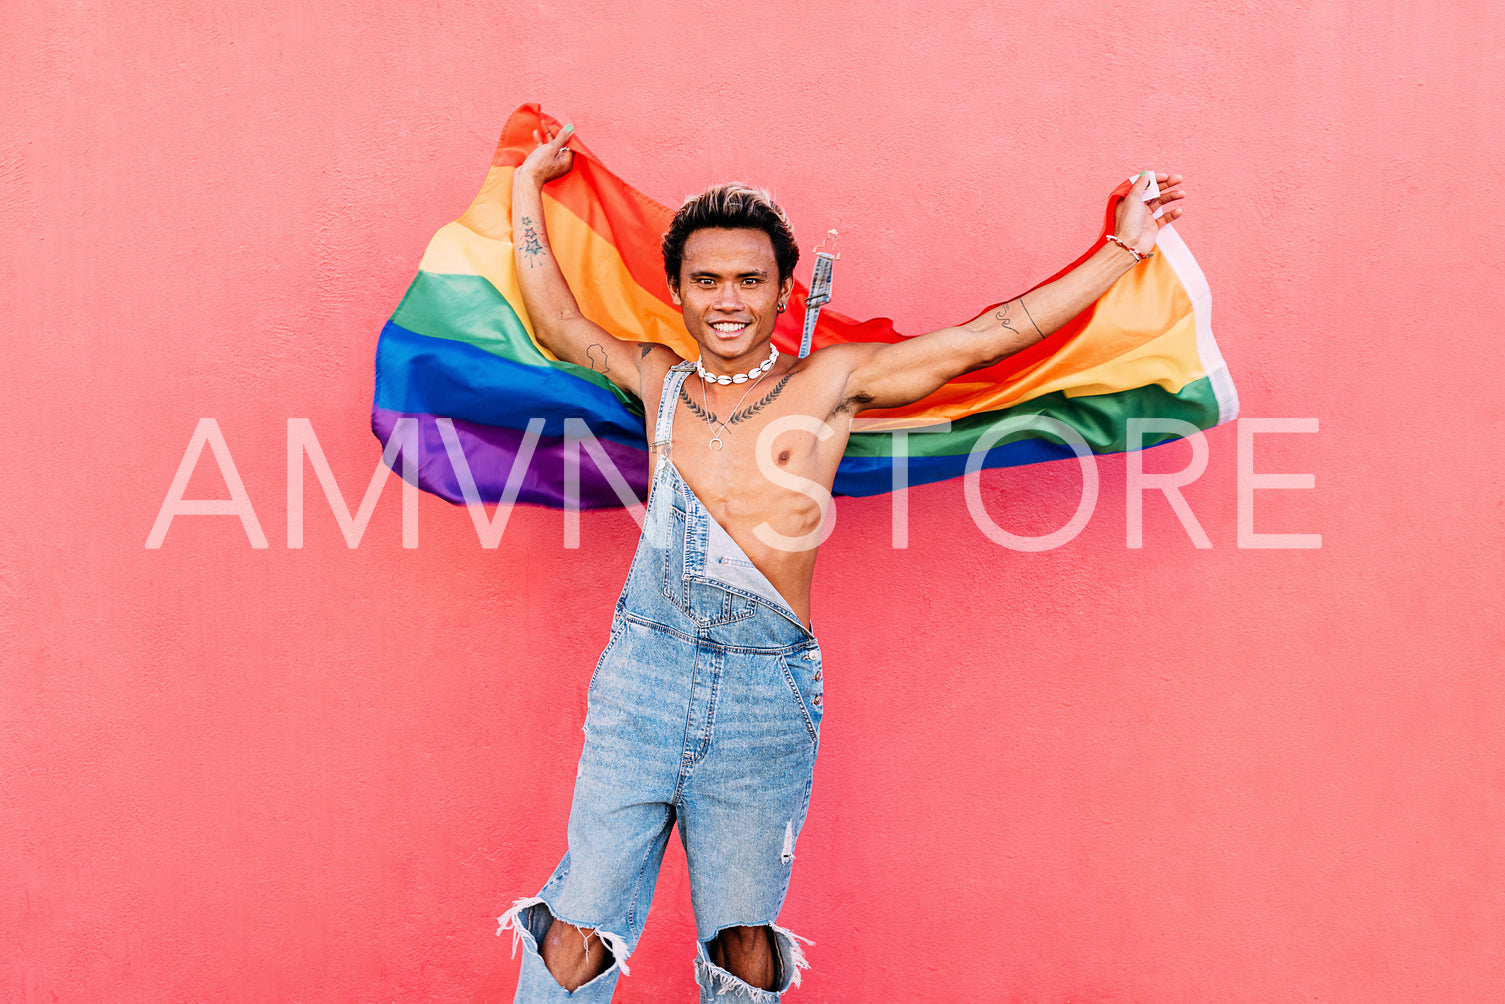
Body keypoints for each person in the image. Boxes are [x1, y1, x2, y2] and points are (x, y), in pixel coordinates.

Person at [498, 121, 1185, 1003]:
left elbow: (984, 339)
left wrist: (1121, 249)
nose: (727, 299)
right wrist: (526, 192)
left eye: (750, 279)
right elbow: (556, 319)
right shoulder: (658, 378)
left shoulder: (831, 382)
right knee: (579, 928)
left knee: (742, 938)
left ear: (783, 289)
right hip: (641, 676)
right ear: (675, 291)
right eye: (705, 280)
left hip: (764, 694)